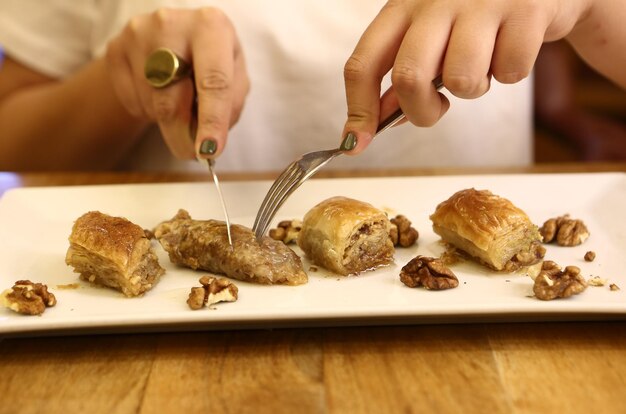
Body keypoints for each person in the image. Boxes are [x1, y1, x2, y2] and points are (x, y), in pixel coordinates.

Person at [0, 0, 621, 172]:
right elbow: (14, 139)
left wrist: (592, 8)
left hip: (503, 327)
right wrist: (128, 85)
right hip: (161, 345)